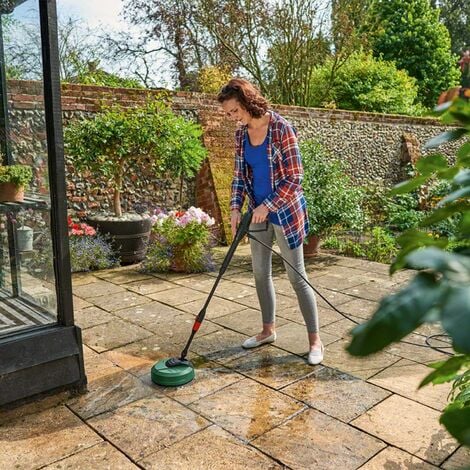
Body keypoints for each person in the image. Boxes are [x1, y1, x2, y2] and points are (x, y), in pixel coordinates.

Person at [217, 78, 323, 365]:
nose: (232, 118)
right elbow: (240, 175)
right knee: (260, 274)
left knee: (296, 277)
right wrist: (235, 207)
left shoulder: (281, 128)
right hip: (257, 214)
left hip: (285, 212)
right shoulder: (241, 135)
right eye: (228, 114)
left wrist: (268, 205)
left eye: (234, 111)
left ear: (248, 102)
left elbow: (295, 179)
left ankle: (315, 341)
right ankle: (268, 331)